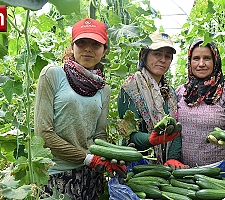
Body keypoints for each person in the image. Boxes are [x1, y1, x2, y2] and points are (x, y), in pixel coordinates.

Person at [34, 18, 126, 200]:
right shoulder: (52, 74)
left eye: (95, 44)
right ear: (72, 46)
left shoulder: (103, 88)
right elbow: (43, 133)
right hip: (56, 175)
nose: (88, 48)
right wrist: (86, 157)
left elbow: (99, 135)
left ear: (104, 50)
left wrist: (114, 154)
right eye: (81, 42)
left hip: (91, 175)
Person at [117, 32, 186, 169]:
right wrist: (150, 140)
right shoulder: (130, 89)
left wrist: (172, 158)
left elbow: (176, 130)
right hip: (138, 165)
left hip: (164, 169)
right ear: (145, 55)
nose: (163, 60)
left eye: (167, 56)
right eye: (157, 54)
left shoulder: (170, 93)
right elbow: (128, 133)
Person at [176, 38, 225, 167]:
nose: (201, 63)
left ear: (215, 61)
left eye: (207, 58)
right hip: (185, 172)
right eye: (196, 58)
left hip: (221, 173)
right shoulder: (181, 92)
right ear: (190, 62)